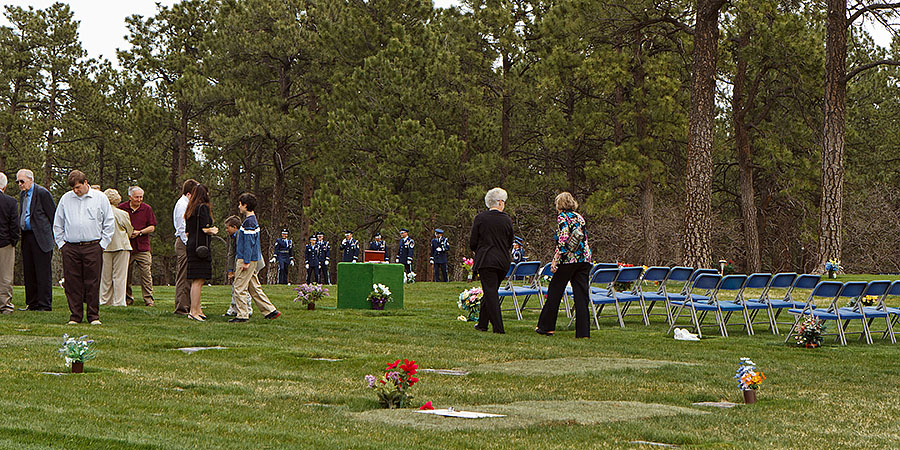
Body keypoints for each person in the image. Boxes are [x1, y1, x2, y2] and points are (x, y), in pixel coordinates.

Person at [53, 170, 115, 325]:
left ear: (86, 183)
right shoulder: (66, 199)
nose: (76, 191)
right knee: (72, 282)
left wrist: (102, 245)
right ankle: (75, 315)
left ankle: (93, 316)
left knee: (92, 282)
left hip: (93, 246)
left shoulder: (100, 198)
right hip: (71, 248)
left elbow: (108, 223)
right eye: (73, 188)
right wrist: (62, 245)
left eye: (78, 187)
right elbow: (58, 223)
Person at [536, 192, 593, 338]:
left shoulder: (563, 217)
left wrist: (556, 259)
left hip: (569, 259)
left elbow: (563, 239)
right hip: (584, 259)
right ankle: (583, 332)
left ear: (559, 205)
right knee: (581, 295)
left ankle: (546, 327)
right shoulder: (579, 217)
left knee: (555, 291)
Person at [229, 192, 280, 323]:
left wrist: (246, 261)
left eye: (240, 204)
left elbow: (249, 243)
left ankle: (242, 315)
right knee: (254, 287)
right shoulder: (253, 221)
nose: (238, 206)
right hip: (252, 259)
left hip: (246, 260)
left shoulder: (248, 223)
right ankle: (270, 311)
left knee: (239, 287)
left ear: (245, 205)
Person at [469, 187, 514, 334]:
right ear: (500, 202)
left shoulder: (481, 218)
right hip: (502, 261)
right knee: (491, 290)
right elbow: (510, 241)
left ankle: (498, 328)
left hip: (486, 260)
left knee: (490, 292)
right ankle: (482, 324)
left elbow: (473, 242)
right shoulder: (507, 220)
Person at [16, 169, 56, 311]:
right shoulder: (23, 195)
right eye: (18, 182)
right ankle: (32, 303)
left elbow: (53, 216)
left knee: (42, 271)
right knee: (29, 270)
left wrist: (52, 236)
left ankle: (44, 304)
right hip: (27, 236)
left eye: (22, 181)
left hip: (41, 237)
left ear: (31, 180)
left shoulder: (42, 193)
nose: (20, 184)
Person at [184, 183, 218, 321]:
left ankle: (197, 308)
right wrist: (213, 230)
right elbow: (205, 228)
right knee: (198, 280)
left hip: (192, 245)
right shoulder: (203, 208)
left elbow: (188, 231)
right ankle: (193, 310)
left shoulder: (190, 209)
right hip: (201, 248)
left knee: (197, 279)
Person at [119, 185, 157, 306]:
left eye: (141, 197)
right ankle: (127, 298)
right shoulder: (122, 208)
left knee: (146, 274)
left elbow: (152, 227)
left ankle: (148, 299)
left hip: (143, 247)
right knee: (126, 274)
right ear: (130, 197)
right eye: (136, 197)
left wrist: (140, 232)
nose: (139, 199)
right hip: (127, 247)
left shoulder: (147, 209)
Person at [100, 189, 133, 307]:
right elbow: (129, 230)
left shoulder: (101, 213)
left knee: (105, 276)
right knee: (120, 276)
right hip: (122, 246)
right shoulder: (123, 214)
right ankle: (119, 301)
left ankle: (104, 300)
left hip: (105, 246)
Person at [172, 179, 198, 316]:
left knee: (188, 276)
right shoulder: (182, 205)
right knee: (183, 276)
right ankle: (181, 307)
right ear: (189, 193)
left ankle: (187, 305)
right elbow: (181, 227)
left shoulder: (186, 204)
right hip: (184, 243)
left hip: (187, 241)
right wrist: (188, 243)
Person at [223, 215, 252, 317]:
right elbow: (231, 254)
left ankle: (246, 309)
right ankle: (234, 308)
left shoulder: (241, 235)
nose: (226, 230)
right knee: (237, 286)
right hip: (238, 263)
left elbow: (243, 251)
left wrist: (242, 265)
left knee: (242, 287)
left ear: (235, 227)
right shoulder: (233, 237)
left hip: (245, 263)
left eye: (228, 228)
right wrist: (230, 270)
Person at [0, 172, 19, 314]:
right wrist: (14, 241)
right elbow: (14, 225)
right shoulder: (10, 202)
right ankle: (5, 305)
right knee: (5, 276)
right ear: (5, 186)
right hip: (5, 243)